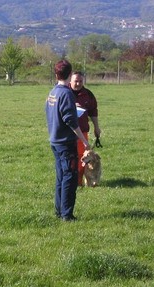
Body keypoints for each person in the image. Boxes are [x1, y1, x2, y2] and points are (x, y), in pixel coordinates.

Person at [45, 60, 90, 222]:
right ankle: (67, 214)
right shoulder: (66, 93)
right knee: (70, 177)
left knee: (60, 177)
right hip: (65, 142)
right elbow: (70, 120)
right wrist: (84, 140)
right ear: (70, 75)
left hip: (54, 140)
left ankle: (59, 211)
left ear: (56, 74)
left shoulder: (53, 92)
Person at [70, 71, 101, 186]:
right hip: (66, 132)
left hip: (82, 132)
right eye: (75, 81)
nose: (78, 83)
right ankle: (71, 182)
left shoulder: (88, 94)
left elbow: (93, 111)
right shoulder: (64, 92)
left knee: (82, 157)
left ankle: (80, 183)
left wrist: (96, 127)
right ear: (70, 81)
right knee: (70, 158)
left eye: (80, 81)